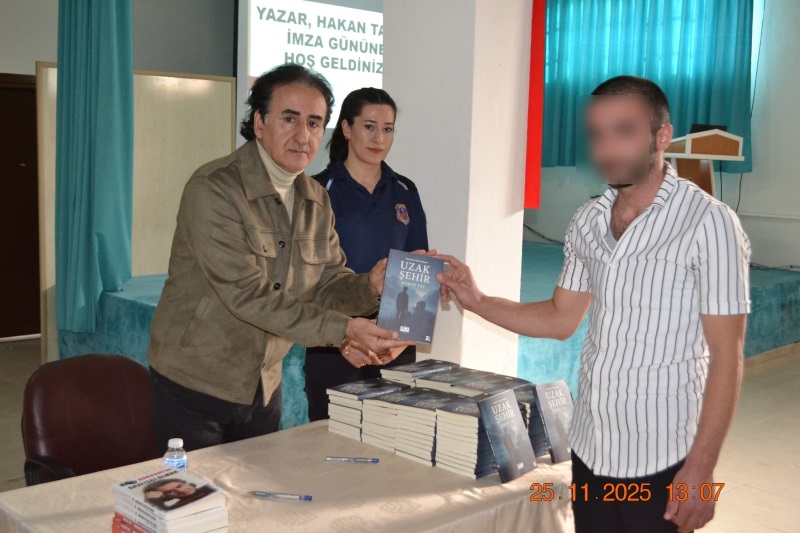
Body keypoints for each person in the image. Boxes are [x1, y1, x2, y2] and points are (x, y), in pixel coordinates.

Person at [436, 76, 750, 533]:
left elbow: (727, 354)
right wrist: (478, 300)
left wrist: (701, 469)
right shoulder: (588, 220)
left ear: (662, 136)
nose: (608, 148)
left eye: (624, 131)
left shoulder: (709, 223)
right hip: (590, 451)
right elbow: (560, 318)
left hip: (664, 456)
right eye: (597, 134)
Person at [147, 65, 413, 453]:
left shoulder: (315, 198)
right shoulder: (214, 190)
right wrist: (344, 330)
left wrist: (369, 286)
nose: (303, 135)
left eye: (314, 123)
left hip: (263, 386)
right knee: (195, 493)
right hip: (195, 386)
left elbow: (326, 284)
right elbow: (248, 295)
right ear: (259, 122)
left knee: (257, 491)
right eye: (290, 119)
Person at [304, 87, 429, 422]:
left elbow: (418, 270)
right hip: (335, 347)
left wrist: (401, 341)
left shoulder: (405, 191)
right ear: (346, 128)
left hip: (394, 346)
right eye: (369, 127)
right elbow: (306, 281)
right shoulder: (316, 190)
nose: (379, 138)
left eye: (387, 129)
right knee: (331, 445)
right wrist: (343, 340)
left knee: (394, 445)